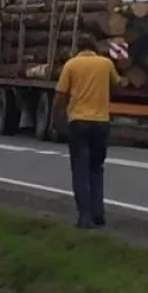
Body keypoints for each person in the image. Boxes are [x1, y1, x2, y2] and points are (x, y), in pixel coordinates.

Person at [52, 37, 125, 229]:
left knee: (80, 170)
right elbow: (117, 87)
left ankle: (84, 217)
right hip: (101, 122)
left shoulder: (71, 65)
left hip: (78, 122)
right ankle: (98, 213)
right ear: (94, 48)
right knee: (96, 168)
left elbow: (60, 96)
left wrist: (57, 120)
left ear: (78, 49)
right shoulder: (105, 63)